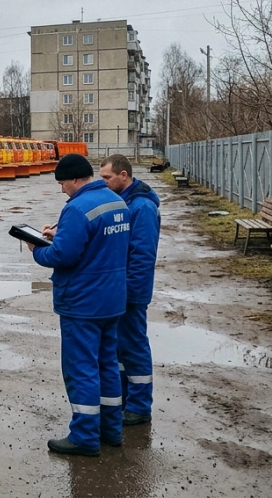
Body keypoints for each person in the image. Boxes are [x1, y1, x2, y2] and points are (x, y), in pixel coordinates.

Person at [29, 153, 130, 456]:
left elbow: (62, 256)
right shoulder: (117, 202)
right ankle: (111, 430)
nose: (61, 189)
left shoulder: (76, 208)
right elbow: (97, 244)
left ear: (74, 179)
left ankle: (85, 437)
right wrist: (61, 235)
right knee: (107, 364)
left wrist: (36, 248)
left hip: (83, 302)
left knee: (82, 368)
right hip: (112, 298)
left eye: (62, 183)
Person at [99, 154, 161, 427]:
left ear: (123, 175)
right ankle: (127, 399)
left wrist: (131, 290)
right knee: (121, 347)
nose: (103, 182)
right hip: (121, 288)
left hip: (131, 290)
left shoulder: (142, 207)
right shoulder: (125, 202)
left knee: (134, 346)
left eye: (107, 178)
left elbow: (142, 255)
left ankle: (139, 406)